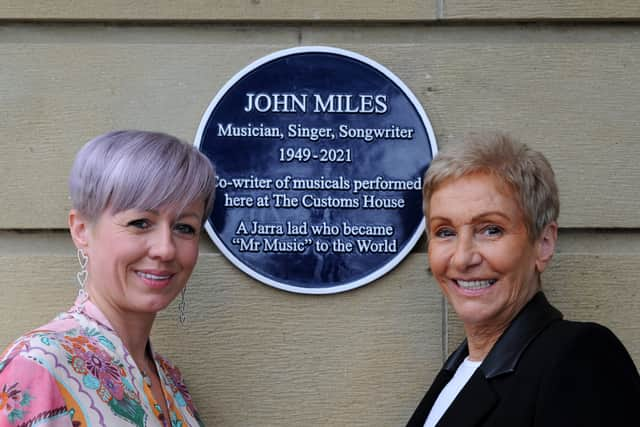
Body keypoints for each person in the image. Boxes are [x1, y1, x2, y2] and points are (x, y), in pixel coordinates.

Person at [407, 132, 640, 427]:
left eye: (490, 230)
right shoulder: (458, 371)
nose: (462, 258)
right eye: (445, 232)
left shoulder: (580, 358)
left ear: (543, 244)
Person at [0, 130, 215, 426]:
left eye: (185, 228)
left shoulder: (172, 382)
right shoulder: (38, 366)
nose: (165, 249)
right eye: (140, 223)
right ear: (82, 230)